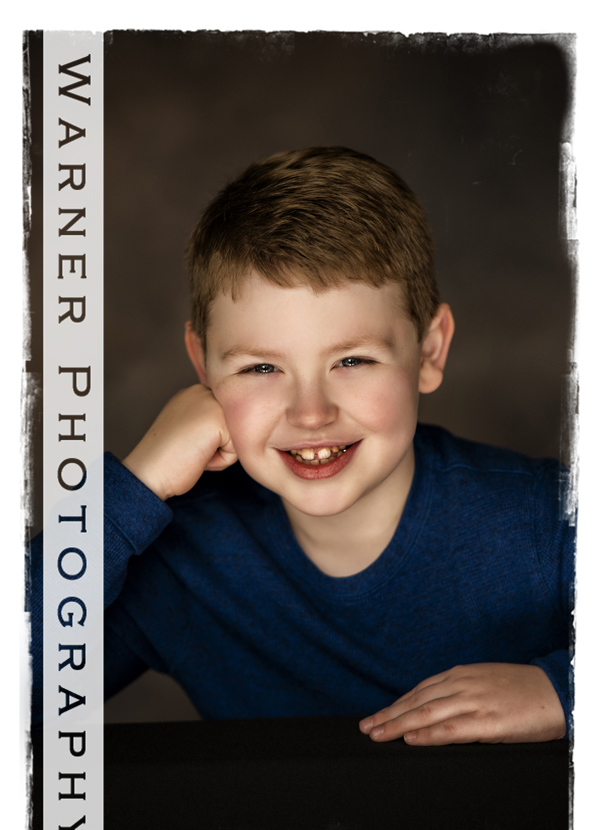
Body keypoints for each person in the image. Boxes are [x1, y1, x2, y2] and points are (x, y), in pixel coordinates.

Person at [30, 146, 574, 743]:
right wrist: (130, 492)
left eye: (353, 359)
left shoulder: (543, 523)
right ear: (203, 367)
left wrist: (564, 691)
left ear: (430, 351)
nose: (311, 413)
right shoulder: (177, 557)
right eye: (262, 369)